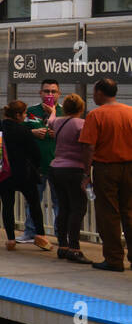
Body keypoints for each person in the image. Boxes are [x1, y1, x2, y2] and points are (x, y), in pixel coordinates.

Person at [78, 78, 132, 271]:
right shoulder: (130, 112)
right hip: (130, 168)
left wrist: (86, 174)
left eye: (94, 92)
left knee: (108, 214)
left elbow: (89, 147)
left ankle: (114, 259)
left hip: (106, 169)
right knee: (129, 212)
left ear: (100, 93)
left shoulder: (96, 115)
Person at [0, 100, 51, 250]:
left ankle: (10, 239)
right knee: (34, 203)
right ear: (18, 115)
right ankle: (41, 235)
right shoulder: (23, 131)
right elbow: (35, 154)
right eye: (24, 113)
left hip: (2, 172)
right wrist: (35, 167)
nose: (25, 116)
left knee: (7, 205)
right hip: (23, 173)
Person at [49, 94, 91, 264]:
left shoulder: (58, 121)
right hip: (74, 170)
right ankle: (74, 248)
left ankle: (63, 246)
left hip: (55, 169)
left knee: (63, 206)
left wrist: (52, 110)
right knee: (78, 208)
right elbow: (88, 146)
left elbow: (50, 119)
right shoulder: (81, 124)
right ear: (81, 109)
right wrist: (88, 173)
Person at [21, 79, 61, 244]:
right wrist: (33, 132)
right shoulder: (31, 111)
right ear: (40, 93)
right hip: (36, 165)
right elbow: (23, 132)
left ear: (59, 94)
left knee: (59, 201)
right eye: (46, 91)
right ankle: (31, 232)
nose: (49, 95)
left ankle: (61, 234)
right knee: (33, 199)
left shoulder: (64, 112)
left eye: (53, 92)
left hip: (58, 164)